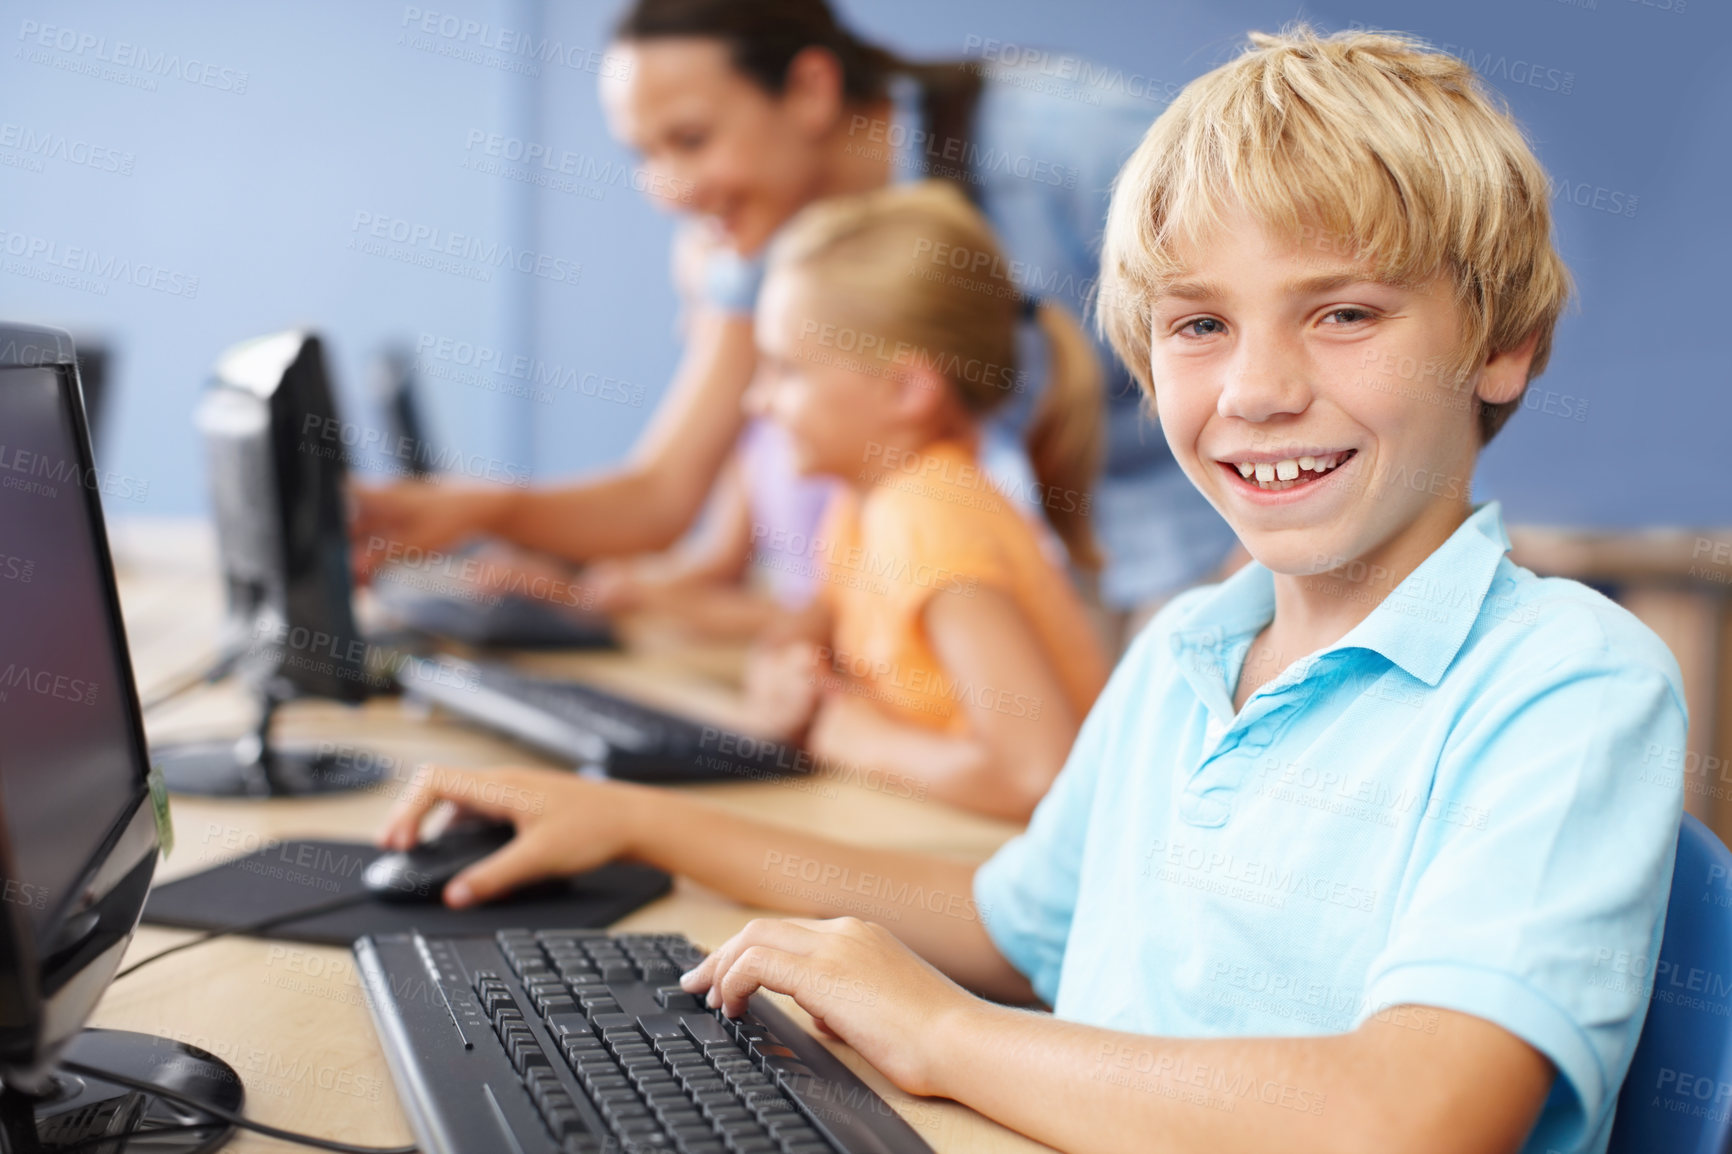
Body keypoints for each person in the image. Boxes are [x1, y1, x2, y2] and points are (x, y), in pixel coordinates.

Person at [378, 27, 1685, 1153]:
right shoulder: (1190, 646)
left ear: (1504, 346)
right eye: (1198, 324)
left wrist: (946, 1034)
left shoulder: (1569, 681)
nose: (1256, 389)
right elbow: (1008, 924)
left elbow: (1414, 1116)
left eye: (1343, 313)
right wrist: (632, 819)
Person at [350, 0, 1239, 640]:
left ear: (810, 90)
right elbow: (663, 491)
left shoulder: (1066, 144)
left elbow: (1281, 332)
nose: (667, 191)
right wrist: (469, 509)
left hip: (1229, 535)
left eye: (690, 141)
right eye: (643, 155)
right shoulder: (761, 242)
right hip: (1072, 560)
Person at [730, 180, 1107, 819]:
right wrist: (789, 668)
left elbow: (1038, 775)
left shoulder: (928, 518)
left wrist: (854, 738)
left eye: (786, 371)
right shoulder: (867, 500)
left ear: (906, 390)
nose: (756, 401)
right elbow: (826, 620)